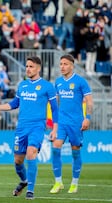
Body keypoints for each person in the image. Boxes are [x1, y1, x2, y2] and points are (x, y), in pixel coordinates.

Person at [0, 56, 58, 200]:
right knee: (18, 161)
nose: (28, 69)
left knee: (31, 153)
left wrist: (55, 129)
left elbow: (55, 109)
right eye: (27, 66)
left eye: (31, 66)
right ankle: (24, 181)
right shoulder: (22, 85)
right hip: (21, 128)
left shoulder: (47, 86)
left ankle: (30, 190)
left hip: (37, 126)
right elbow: (13, 104)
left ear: (38, 68)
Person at [50, 54, 93, 194]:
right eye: (61, 64)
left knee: (75, 151)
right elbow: (55, 103)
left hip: (76, 123)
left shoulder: (81, 82)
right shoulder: (58, 82)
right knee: (55, 148)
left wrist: (87, 118)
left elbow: (90, 101)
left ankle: (74, 183)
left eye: (65, 64)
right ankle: (58, 182)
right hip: (62, 122)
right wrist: (53, 120)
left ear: (72, 65)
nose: (62, 67)